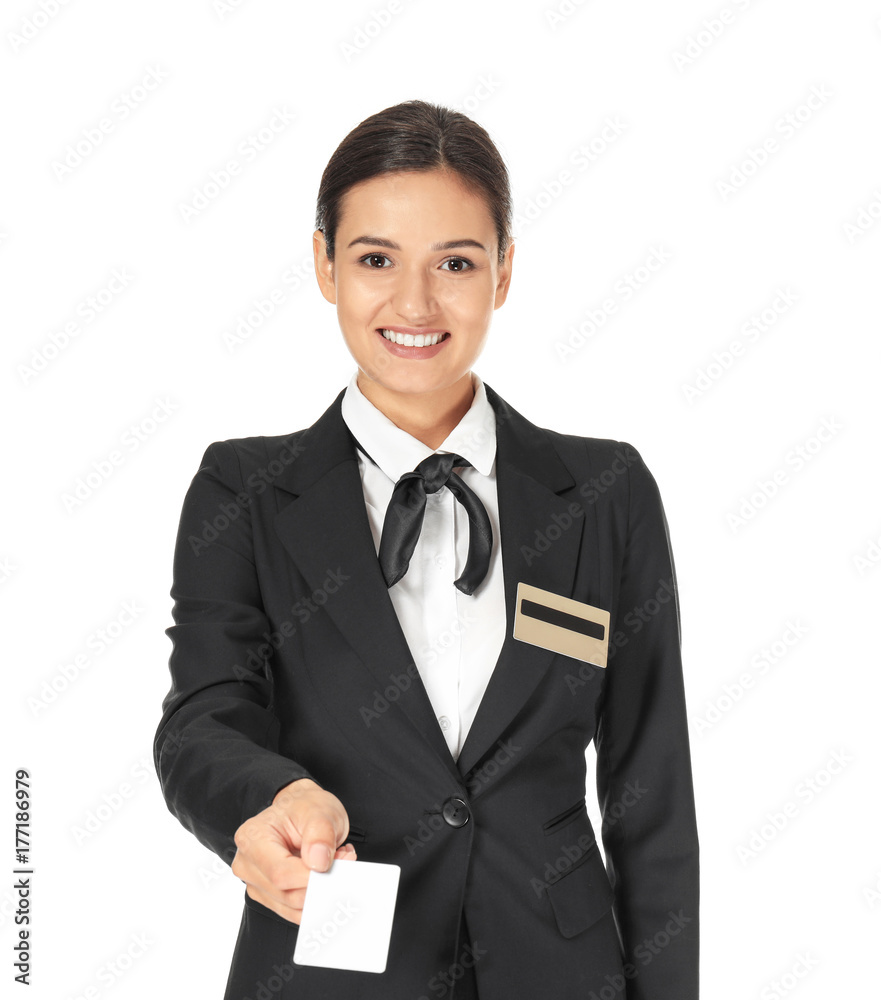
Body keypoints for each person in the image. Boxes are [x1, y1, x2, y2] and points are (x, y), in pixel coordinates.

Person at [153, 99, 699, 1000]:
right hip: (332, 966)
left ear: (504, 273)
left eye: (455, 263)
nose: (414, 303)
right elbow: (204, 719)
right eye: (375, 260)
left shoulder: (606, 494)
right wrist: (270, 798)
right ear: (325, 265)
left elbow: (651, 791)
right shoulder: (242, 493)